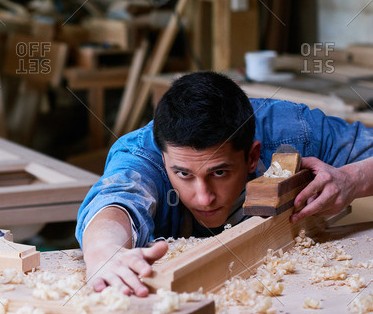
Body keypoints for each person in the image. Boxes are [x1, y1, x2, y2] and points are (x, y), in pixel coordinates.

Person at [77, 71, 373, 297]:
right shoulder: (142, 154)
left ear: (252, 156)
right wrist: (104, 250)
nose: (204, 198)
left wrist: (351, 179)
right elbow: (116, 200)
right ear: (164, 159)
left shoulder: (294, 130)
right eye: (183, 175)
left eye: (219, 173)